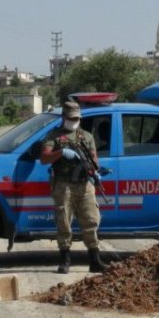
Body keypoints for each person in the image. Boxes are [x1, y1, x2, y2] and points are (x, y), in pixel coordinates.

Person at [40, 101, 109, 274]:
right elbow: (44, 158)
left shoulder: (86, 136)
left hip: (85, 185)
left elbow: (94, 160)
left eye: (76, 118)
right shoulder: (53, 136)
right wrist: (61, 153)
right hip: (64, 185)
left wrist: (94, 172)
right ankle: (65, 260)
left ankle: (95, 260)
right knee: (64, 223)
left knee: (91, 221)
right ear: (64, 117)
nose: (74, 121)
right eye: (71, 118)